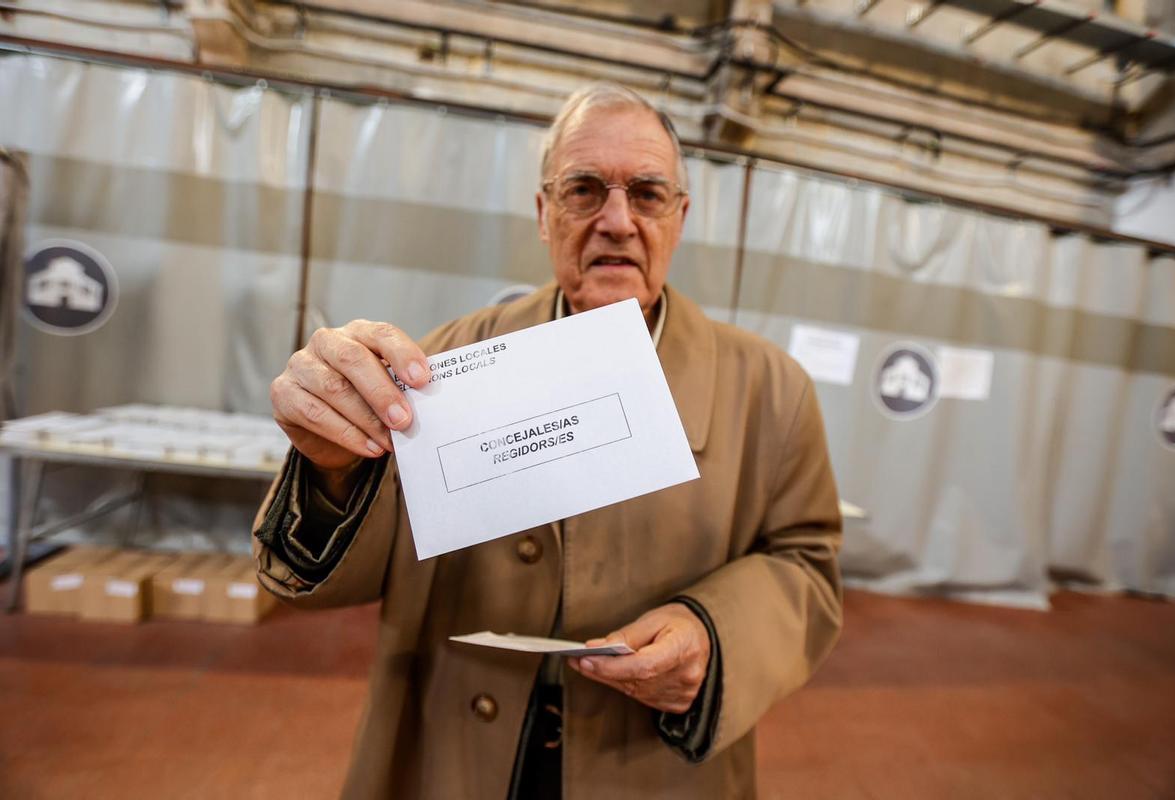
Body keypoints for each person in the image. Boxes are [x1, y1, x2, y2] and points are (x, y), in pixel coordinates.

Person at [253, 82, 843, 800]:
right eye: (584, 189)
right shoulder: (438, 367)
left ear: (680, 218)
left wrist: (715, 633)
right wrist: (332, 462)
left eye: (648, 193)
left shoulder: (772, 392)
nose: (617, 221)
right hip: (452, 755)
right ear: (543, 213)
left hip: (649, 763)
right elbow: (354, 563)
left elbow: (807, 567)